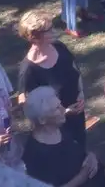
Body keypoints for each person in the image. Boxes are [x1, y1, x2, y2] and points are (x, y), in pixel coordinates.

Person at [19, 10, 87, 145]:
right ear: (34, 37)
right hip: (55, 127)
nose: (54, 31)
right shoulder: (29, 70)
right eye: (48, 30)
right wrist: (63, 113)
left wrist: (81, 93)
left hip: (77, 113)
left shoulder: (59, 46)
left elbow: (75, 70)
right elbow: (30, 109)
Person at [23, 85, 105, 186]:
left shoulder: (60, 128)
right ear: (42, 120)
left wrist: (91, 157)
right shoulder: (35, 155)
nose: (64, 109)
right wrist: (84, 174)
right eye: (56, 108)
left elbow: (77, 154)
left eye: (60, 104)